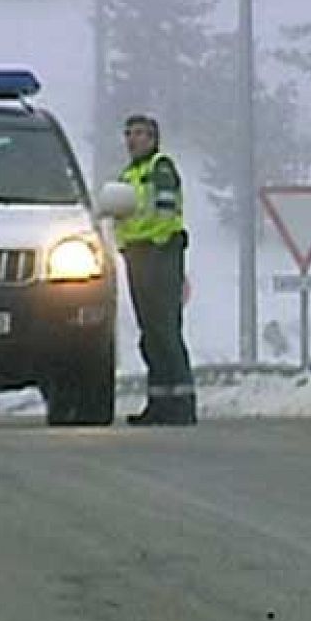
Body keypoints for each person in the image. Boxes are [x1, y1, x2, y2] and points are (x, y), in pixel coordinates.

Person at [114, 114, 196, 426]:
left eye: (139, 134)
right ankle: (159, 402)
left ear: (152, 139)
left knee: (165, 330)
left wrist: (160, 243)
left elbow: (166, 209)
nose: (132, 140)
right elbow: (120, 217)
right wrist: (123, 247)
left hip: (161, 253)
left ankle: (182, 403)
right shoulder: (127, 176)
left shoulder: (160, 168)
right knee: (149, 334)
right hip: (137, 255)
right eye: (129, 134)